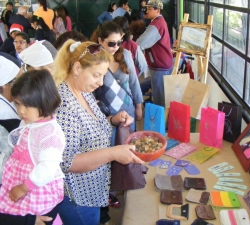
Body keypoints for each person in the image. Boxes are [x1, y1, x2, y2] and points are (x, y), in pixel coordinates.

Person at [52, 39, 144, 225]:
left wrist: (113, 120)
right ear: (77, 68)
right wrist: (112, 154)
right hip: (78, 197)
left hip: (94, 188)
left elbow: (90, 129)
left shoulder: (83, 92)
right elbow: (67, 163)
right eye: (96, 75)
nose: (101, 82)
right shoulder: (64, 106)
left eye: (103, 75)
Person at [0, 69, 65, 225]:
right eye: (17, 104)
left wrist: (23, 188)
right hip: (21, 177)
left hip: (35, 185)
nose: (21, 111)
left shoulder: (51, 134)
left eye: (27, 106)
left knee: (26, 211)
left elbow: (46, 169)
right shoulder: (30, 120)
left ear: (45, 101)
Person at [95, 21, 143, 132]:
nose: (116, 47)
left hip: (128, 113)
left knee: (128, 145)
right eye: (111, 43)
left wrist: (139, 106)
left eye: (119, 42)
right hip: (107, 116)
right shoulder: (94, 60)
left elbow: (134, 82)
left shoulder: (126, 54)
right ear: (100, 40)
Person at [137, 0, 173, 107]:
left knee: (159, 98)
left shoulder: (156, 25)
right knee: (158, 93)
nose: (147, 11)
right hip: (161, 64)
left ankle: (160, 121)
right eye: (146, 8)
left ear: (158, 10)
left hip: (160, 66)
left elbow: (141, 43)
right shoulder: (159, 22)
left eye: (150, 9)